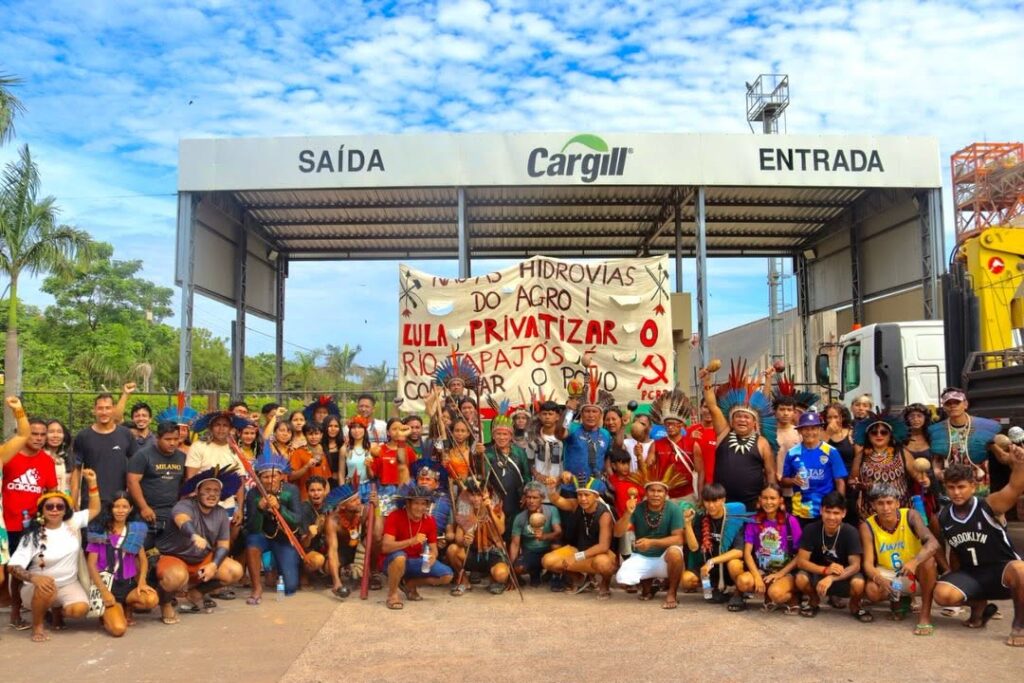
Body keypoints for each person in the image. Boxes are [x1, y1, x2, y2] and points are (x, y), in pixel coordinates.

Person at [934, 459, 1024, 647]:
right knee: (942, 594)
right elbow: (955, 551)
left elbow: (1014, 488)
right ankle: (979, 607)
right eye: (951, 487)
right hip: (972, 574)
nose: (956, 492)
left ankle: (1020, 626)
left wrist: (1020, 465)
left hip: (1002, 571)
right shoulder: (944, 516)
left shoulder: (989, 505)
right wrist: (951, 574)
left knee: (1021, 569)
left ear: (973, 487)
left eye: (961, 487)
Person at [6, 469, 100, 642]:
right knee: (47, 586)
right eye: (49, 507)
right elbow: (13, 566)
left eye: (60, 506)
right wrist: (34, 578)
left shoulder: (72, 522)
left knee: (79, 610)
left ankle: (57, 612)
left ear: (65, 510)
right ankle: (37, 625)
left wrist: (92, 483)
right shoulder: (32, 535)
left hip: (68, 584)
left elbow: (95, 509)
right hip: (37, 588)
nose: (55, 510)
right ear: (42, 510)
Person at [155, 467, 245, 624]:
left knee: (235, 570)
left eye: (216, 491)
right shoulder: (184, 505)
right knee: (176, 577)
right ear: (197, 492)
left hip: (201, 558)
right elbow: (181, 519)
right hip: (175, 557)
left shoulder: (221, 513)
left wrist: (214, 566)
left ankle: (195, 593)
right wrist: (193, 535)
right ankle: (165, 603)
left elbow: (224, 544)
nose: (212, 494)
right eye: (207, 490)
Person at [860, 483, 940, 634]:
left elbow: (933, 543)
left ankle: (925, 615)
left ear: (897, 503)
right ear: (873, 506)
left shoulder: (910, 515)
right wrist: (879, 579)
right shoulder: (867, 526)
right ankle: (901, 601)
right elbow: (868, 564)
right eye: (880, 503)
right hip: (891, 575)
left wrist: (915, 562)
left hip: (915, 573)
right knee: (872, 590)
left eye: (889, 502)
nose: (886, 508)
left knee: (928, 561)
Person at [3, 414, 56, 630]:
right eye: (34, 434)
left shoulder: (47, 461)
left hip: (31, 526)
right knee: (5, 572)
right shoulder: (8, 456)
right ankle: (12, 606)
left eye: (43, 434)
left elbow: (51, 492)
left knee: (26, 569)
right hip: (5, 525)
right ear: (23, 433)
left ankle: (20, 611)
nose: (39, 438)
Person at [703, 364, 777, 511]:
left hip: (753, 505)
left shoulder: (762, 442)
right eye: (738, 416)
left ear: (754, 422)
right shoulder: (724, 432)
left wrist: (771, 498)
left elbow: (770, 472)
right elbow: (712, 407)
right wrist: (706, 380)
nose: (742, 420)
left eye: (746, 417)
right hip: (722, 504)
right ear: (731, 420)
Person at [85, 491, 159, 636]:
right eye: (116, 506)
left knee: (151, 599)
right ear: (110, 508)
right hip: (107, 585)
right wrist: (104, 592)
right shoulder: (100, 531)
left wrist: (142, 581)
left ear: (130, 508)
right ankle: (109, 612)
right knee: (118, 629)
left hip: (128, 583)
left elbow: (143, 559)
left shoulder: (135, 530)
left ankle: (127, 607)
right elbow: (91, 564)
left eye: (124, 507)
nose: (120, 510)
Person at [613, 477, 690, 609]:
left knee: (675, 553)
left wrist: (652, 542)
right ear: (646, 493)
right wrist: (628, 513)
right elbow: (617, 533)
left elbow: (678, 539)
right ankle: (648, 586)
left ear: (665, 494)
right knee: (623, 578)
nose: (655, 494)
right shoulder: (637, 508)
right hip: (643, 556)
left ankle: (672, 593)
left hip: (665, 559)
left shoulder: (674, 509)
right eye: (652, 490)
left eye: (659, 491)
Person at [185, 411, 248, 570]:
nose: (221, 429)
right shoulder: (199, 447)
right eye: (217, 425)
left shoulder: (235, 450)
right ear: (211, 427)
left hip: (227, 504)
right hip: (203, 505)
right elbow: (191, 479)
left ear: (231, 428)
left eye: (225, 425)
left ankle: (218, 573)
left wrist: (240, 508)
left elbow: (240, 481)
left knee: (226, 541)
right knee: (203, 543)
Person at [794, 491, 868, 620]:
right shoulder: (810, 529)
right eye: (828, 512)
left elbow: (855, 566)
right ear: (821, 511)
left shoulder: (851, 532)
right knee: (800, 578)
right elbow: (801, 561)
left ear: (844, 513)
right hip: (818, 574)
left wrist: (831, 578)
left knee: (859, 583)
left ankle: (855, 605)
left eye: (836, 513)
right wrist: (825, 570)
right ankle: (813, 600)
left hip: (843, 575)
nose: (831, 517)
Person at [542, 476, 617, 599]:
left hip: (602, 554)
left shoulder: (604, 514)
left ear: (596, 496)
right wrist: (551, 489)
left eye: (587, 495)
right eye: (580, 495)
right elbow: (557, 500)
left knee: (602, 563)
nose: (583, 499)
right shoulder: (576, 505)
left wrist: (576, 557)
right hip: (580, 550)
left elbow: (603, 546)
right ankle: (581, 580)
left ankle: (605, 583)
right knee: (547, 561)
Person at [380, 484, 454, 609]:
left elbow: (434, 548)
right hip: (392, 561)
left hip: (415, 561)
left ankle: (410, 584)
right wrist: (411, 541)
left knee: (447, 575)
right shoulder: (395, 516)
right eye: (416, 503)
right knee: (400, 558)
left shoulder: (430, 520)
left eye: (423, 504)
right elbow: (385, 547)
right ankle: (392, 595)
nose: (420, 508)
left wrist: (432, 556)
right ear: (408, 503)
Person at [244, 450, 303, 604]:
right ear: (259, 478)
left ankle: (275, 567)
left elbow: (297, 520)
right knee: (252, 542)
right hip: (262, 536)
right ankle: (256, 588)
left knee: (290, 587)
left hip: (283, 538)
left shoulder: (291, 490)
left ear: (281, 476)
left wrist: (280, 508)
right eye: (265, 477)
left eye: (274, 476)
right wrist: (259, 508)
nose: (270, 480)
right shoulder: (253, 494)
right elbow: (251, 527)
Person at [732, 484, 802, 612]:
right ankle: (767, 595)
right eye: (765, 498)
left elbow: (800, 554)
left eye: (773, 498)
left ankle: (792, 597)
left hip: (785, 572)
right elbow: (747, 553)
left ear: (780, 500)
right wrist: (757, 577)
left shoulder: (790, 521)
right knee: (742, 582)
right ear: (760, 499)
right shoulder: (753, 521)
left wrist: (780, 574)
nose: (768, 502)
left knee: (776, 593)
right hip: (762, 570)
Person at [70, 393, 139, 509]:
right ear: (94, 410)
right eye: (100, 408)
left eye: (108, 408)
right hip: (91, 500)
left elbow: (136, 469)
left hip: (119, 503)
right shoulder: (83, 436)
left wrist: (133, 497)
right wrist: (74, 500)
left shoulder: (126, 434)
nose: (104, 412)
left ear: (114, 409)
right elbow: (76, 471)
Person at [126, 421, 186, 549]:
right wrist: (144, 507)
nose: (172, 443)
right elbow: (132, 482)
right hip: (146, 513)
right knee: (137, 549)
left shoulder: (182, 457)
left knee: (167, 552)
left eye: (176, 439)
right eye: (167, 439)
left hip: (171, 513)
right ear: (157, 438)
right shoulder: (143, 455)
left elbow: (186, 483)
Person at [780, 411, 847, 526]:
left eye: (813, 428)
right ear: (799, 431)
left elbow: (839, 481)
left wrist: (840, 506)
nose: (810, 432)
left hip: (825, 512)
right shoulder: (792, 453)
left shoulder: (831, 451)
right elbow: (784, 481)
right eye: (806, 429)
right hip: (799, 511)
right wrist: (793, 481)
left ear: (820, 430)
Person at [683, 483, 746, 604]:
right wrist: (687, 524)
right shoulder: (701, 517)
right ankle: (711, 590)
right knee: (686, 580)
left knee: (735, 564)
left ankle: (738, 593)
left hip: (726, 566)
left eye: (715, 501)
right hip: (707, 567)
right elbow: (694, 547)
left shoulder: (733, 518)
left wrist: (711, 561)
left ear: (723, 500)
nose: (711, 505)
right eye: (707, 501)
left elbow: (739, 551)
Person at [446, 477, 509, 596]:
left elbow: (501, 530)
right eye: (472, 495)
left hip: (492, 553)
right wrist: (465, 541)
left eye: (479, 494)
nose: (476, 499)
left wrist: (489, 510)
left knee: (501, 575)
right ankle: (464, 581)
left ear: (487, 495)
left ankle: (493, 579)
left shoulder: (496, 509)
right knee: (452, 550)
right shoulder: (465, 512)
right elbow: (458, 539)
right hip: (473, 554)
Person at [928, 387, 1001, 489]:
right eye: (948, 403)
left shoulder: (987, 427)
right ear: (944, 407)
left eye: (957, 402)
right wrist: (938, 473)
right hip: (951, 484)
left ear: (965, 404)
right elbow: (937, 459)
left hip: (978, 483)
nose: (952, 406)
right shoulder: (936, 431)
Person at [851, 411, 919, 519]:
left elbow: (918, 477)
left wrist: (924, 480)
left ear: (890, 435)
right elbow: (852, 480)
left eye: (884, 432)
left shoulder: (902, 454)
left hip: (900, 511)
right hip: (870, 512)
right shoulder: (861, 456)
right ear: (868, 436)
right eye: (874, 432)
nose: (879, 435)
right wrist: (857, 484)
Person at [650, 388, 702, 505]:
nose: (670, 427)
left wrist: (700, 496)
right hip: (664, 496)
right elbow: (648, 466)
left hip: (687, 496)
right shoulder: (656, 444)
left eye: (673, 424)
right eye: (667, 424)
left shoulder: (693, 444)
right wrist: (639, 456)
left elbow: (701, 472)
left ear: (682, 425)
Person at [483, 414, 528, 543]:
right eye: (498, 434)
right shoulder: (487, 453)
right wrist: (479, 456)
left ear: (511, 435)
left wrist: (525, 494)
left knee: (514, 533)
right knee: (498, 533)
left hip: (517, 499)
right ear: (493, 435)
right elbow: (484, 477)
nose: (502, 437)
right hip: (496, 500)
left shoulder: (519, 452)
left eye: (505, 434)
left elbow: (526, 476)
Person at [509, 481, 562, 587]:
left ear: (542, 498)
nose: (531, 501)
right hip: (530, 552)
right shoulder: (519, 518)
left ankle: (554, 574)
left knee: (556, 545)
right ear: (525, 498)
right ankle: (534, 572)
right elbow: (515, 544)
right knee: (518, 568)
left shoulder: (552, 510)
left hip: (548, 550)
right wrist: (512, 571)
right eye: (528, 497)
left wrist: (544, 536)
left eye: (535, 498)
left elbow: (558, 532)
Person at [558, 392, 612, 487]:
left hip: (595, 487)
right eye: (587, 411)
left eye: (594, 411)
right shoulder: (573, 428)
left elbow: (607, 456)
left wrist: (607, 471)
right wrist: (569, 411)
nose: (590, 415)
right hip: (571, 486)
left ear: (600, 415)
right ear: (582, 414)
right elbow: (561, 434)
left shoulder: (606, 434)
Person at [322, 482, 365, 599]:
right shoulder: (332, 520)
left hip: (361, 549)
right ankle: (339, 575)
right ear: (342, 506)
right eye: (353, 501)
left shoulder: (365, 512)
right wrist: (337, 582)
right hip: (343, 551)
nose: (358, 502)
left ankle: (370, 574)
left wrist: (376, 508)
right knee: (328, 568)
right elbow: (332, 550)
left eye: (358, 498)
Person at [823, 402, 858, 524]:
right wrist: (828, 435)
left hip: (850, 481)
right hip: (830, 481)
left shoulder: (851, 433)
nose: (833, 420)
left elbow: (858, 456)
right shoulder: (822, 433)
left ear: (842, 417)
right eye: (829, 417)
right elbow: (819, 453)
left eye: (836, 417)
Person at [289, 422, 332, 500]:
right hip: (304, 498)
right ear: (305, 435)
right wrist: (306, 466)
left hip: (321, 499)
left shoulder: (322, 453)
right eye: (310, 434)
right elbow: (291, 477)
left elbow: (325, 479)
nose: (314, 437)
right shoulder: (298, 452)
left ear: (321, 435)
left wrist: (327, 495)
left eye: (316, 434)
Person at [689, 404, 719, 486]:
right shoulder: (689, 431)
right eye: (706, 407)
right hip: (694, 483)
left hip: (717, 483)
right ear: (700, 409)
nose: (709, 410)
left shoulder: (721, 432)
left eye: (711, 407)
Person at [43, 419, 72, 497]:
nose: (55, 435)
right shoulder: (38, 456)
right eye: (51, 432)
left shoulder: (69, 456)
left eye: (59, 432)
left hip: (64, 500)